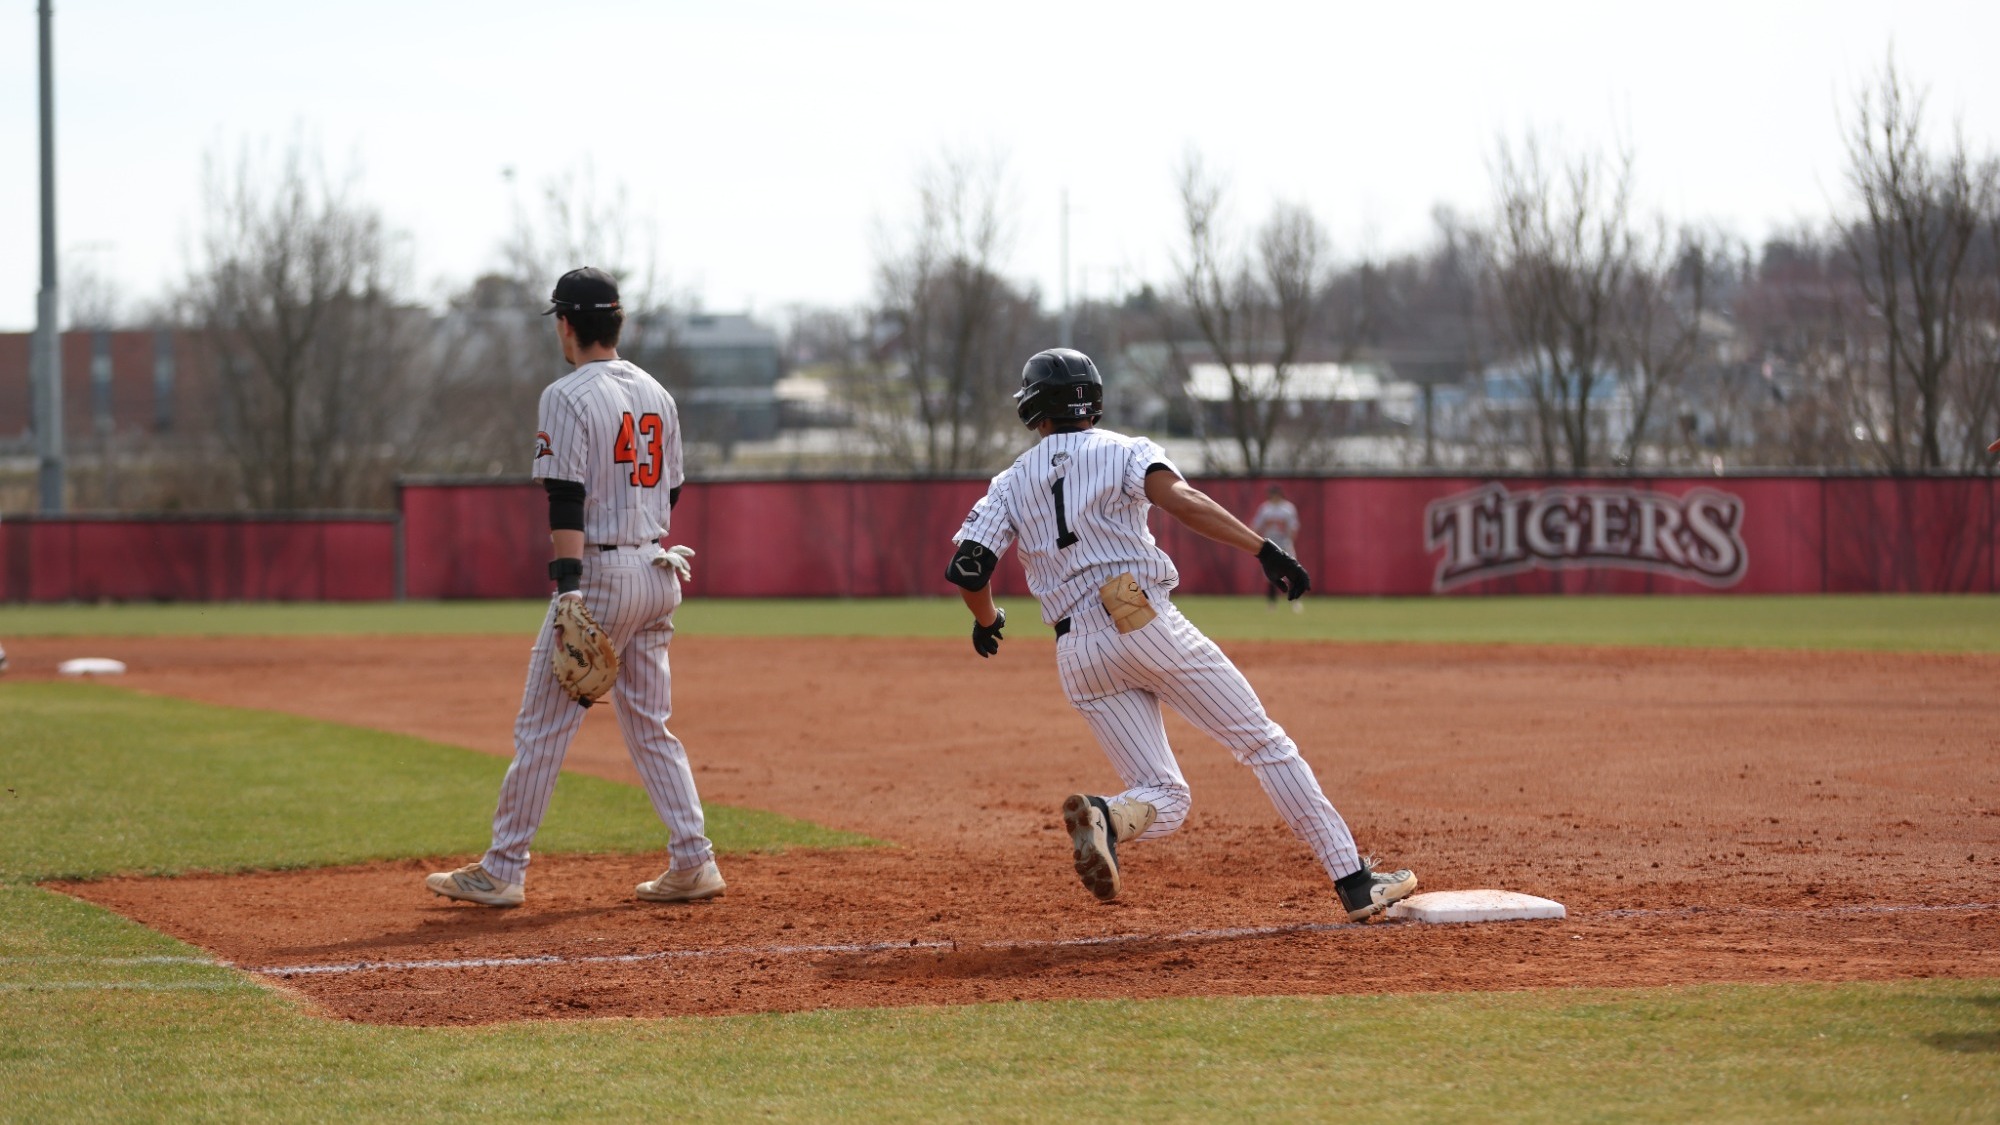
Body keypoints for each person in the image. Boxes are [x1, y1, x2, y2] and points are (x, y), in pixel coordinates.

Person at [946, 348, 1417, 922]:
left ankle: (1108, 816)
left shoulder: (1010, 482)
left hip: (1077, 652)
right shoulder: (1123, 450)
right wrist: (1264, 550)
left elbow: (970, 568)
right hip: (1141, 619)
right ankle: (1354, 881)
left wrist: (988, 619)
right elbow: (1183, 501)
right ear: (1092, 400)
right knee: (1264, 744)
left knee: (1164, 795)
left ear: (1032, 410)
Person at [425, 267, 721, 908]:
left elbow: (566, 498)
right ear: (616, 322)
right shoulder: (655, 391)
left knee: (543, 729)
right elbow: (672, 489)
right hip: (658, 570)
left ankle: (503, 869)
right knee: (650, 727)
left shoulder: (566, 394)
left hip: (604, 577)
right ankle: (694, 860)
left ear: (566, 324)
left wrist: (567, 591)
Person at [1251, 485, 1303, 612]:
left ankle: (1295, 601)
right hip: (1270, 545)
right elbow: (1256, 526)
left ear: (1280, 494)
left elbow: (1293, 527)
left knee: (1291, 571)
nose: (1273, 497)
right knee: (1271, 574)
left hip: (1284, 543)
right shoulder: (1265, 509)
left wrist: (1289, 541)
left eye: (1275, 494)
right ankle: (1272, 603)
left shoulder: (1288, 509)